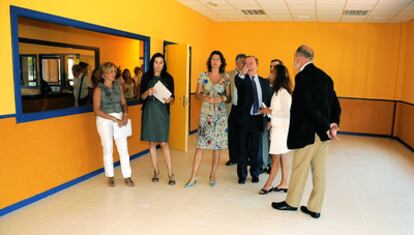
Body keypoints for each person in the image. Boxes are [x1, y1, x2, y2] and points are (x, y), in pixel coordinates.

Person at [271, 45, 341, 219]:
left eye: (295, 57)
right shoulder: (326, 77)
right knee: (319, 172)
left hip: (308, 134)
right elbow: (335, 105)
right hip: (323, 136)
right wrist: (332, 124)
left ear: (299, 57)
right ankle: (315, 207)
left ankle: (292, 203)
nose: (294, 61)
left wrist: (325, 125)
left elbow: (309, 107)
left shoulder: (302, 77)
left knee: (299, 169)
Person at [184, 50, 231, 188]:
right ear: (210, 61)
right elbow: (196, 94)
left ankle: (212, 175)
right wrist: (206, 98)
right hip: (206, 115)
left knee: (217, 147)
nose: (215, 61)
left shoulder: (226, 77)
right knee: (200, 145)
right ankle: (193, 176)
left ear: (221, 62)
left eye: (217, 59)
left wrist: (221, 98)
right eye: (213, 58)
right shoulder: (203, 75)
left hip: (220, 116)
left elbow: (229, 97)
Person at [93, 61, 134, 187]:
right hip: (104, 120)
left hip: (119, 119)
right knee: (108, 148)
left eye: (115, 71)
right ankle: (110, 176)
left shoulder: (118, 86)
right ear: (104, 74)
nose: (114, 74)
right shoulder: (98, 89)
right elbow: (96, 110)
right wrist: (113, 118)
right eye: (111, 71)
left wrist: (125, 114)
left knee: (123, 148)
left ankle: (127, 176)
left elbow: (123, 103)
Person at [235, 56, 272, 184]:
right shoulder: (242, 80)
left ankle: (255, 174)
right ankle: (242, 175)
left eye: (251, 63)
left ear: (257, 64)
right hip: (244, 120)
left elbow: (267, 101)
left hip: (258, 119)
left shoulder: (264, 82)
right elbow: (238, 83)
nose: (248, 65)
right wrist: (242, 73)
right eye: (246, 63)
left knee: (256, 150)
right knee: (242, 149)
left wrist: (268, 118)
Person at [140, 53, 175, 185]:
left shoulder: (169, 78)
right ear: (152, 63)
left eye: (161, 62)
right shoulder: (146, 77)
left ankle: (171, 173)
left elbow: (173, 97)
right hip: (149, 111)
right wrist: (146, 93)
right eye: (156, 62)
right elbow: (141, 97)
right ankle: (156, 171)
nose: (158, 64)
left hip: (162, 112)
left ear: (164, 64)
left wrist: (170, 99)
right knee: (152, 143)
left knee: (164, 143)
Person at [258, 64, 292, 195]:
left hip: (281, 132)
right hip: (277, 128)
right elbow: (278, 113)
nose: (270, 75)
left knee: (275, 159)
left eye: (272, 73)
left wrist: (269, 111)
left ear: (278, 76)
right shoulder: (277, 92)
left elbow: (286, 113)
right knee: (282, 157)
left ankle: (268, 185)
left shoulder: (284, 93)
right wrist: (271, 120)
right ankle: (284, 183)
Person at [260, 59, 284, 174]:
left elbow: (281, 107)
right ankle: (265, 164)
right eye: (270, 66)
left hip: (277, 119)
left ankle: (272, 164)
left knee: (274, 144)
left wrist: (271, 119)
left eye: (274, 67)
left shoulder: (283, 86)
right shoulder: (264, 82)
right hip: (264, 116)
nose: (271, 69)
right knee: (264, 140)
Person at [226, 53, 246, 166]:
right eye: (242, 62)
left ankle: (243, 158)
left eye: (245, 62)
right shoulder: (229, 75)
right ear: (236, 62)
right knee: (232, 135)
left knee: (242, 134)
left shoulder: (248, 74)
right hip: (232, 108)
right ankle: (233, 158)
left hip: (244, 110)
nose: (244, 64)